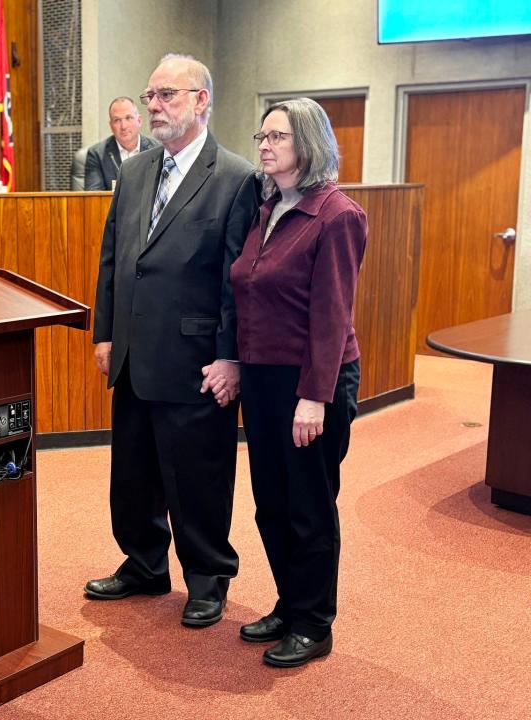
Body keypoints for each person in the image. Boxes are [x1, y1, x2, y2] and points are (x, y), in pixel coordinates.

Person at [86, 54, 258, 629]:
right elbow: (114, 257)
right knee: (132, 472)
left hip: (196, 361)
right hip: (133, 355)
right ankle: (143, 564)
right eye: (151, 95)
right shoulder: (135, 172)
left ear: (201, 100)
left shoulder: (236, 177)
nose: (154, 106)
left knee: (197, 477)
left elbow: (239, 281)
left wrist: (230, 355)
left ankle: (207, 577)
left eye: (168, 96)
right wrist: (105, 333)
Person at [228, 98, 367, 667]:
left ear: (308, 143)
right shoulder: (267, 207)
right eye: (261, 135)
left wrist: (314, 396)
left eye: (278, 137)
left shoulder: (337, 214)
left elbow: (332, 315)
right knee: (271, 503)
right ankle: (290, 603)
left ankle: (315, 622)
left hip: (313, 382)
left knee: (309, 504)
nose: (264, 145)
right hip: (263, 381)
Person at [84, 96, 157, 190]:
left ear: (139, 121)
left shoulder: (157, 149)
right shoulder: (97, 154)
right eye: (117, 120)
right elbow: (94, 199)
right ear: (111, 126)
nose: (123, 126)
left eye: (128, 118)